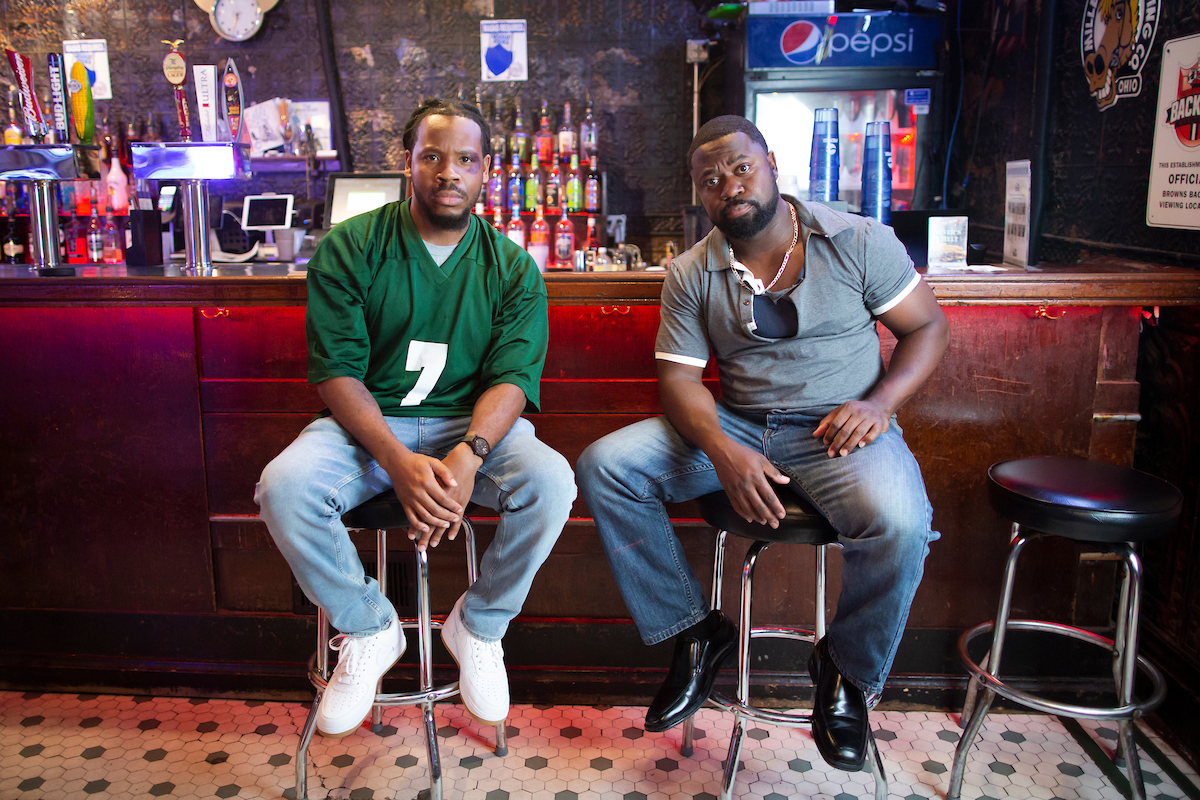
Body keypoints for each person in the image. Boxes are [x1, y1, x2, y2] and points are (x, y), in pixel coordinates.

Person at [576, 115, 949, 771]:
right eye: (710, 179)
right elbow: (680, 381)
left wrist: (880, 403)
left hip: (840, 427)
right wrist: (723, 448)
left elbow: (928, 330)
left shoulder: (858, 239)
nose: (728, 184)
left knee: (901, 522)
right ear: (700, 195)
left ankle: (845, 673)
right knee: (607, 466)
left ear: (772, 163)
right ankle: (695, 633)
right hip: (741, 422)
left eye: (740, 167)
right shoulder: (693, 271)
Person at [256, 98, 574, 738]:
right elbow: (336, 373)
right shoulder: (352, 246)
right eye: (432, 156)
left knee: (552, 483)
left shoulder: (511, 266)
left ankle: (479, 625)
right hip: (370, 424)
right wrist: (396, 463)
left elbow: (513, 379)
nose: (448, 171)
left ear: (485, 172)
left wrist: (469, 453)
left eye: (464, 159)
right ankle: (368, 626)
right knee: (283, 488)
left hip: (472, 425)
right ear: (409, 165)